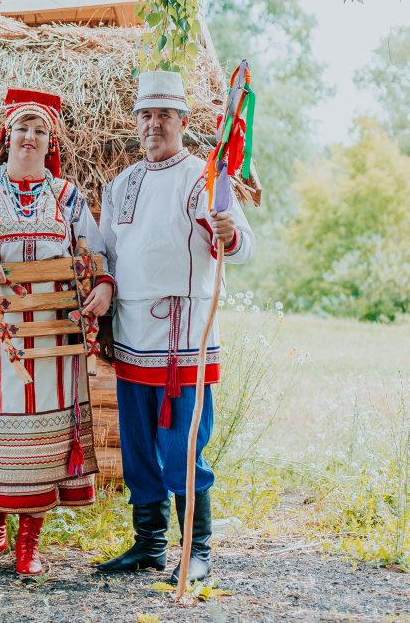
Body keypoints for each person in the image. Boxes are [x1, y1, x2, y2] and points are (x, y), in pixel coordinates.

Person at [0, 88, 114, 576]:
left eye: (39, 130)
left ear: (48, 141)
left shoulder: (67, 196)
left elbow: (95, 252)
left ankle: (28, 543)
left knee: (46, 437)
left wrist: (102, 285)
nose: (29, 137)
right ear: (6, 136)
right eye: (21, 128)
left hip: (56, 336)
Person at [96, 70, 254, 583]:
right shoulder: (121, 184)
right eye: (145, 115)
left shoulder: (207, 178)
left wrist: (229, 234)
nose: (153, 125)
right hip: (132, 332)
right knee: (138, 445)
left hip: (184, 335)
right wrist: (100, 285)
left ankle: (197, 549)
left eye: (164, 115)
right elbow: (106, 252)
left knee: (182, 444)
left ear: (183, 122)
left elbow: (243, 247)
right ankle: (148, 545)